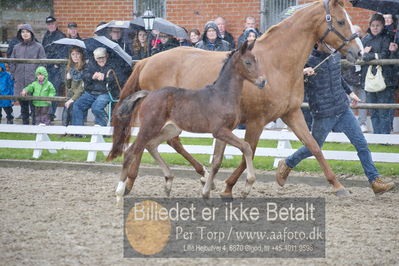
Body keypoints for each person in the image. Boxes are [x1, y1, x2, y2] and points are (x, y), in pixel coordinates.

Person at [276, 41, 395, 195]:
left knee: (361, 144)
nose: (332, 44)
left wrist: (350, 93)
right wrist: (303, 73)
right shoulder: (308, 60)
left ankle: (374, 181)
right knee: (313, 148)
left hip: (343, 108)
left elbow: (337, 77)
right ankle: (288, 162)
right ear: (318, 43)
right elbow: (289, 79)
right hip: (323, 113)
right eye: (328, 42)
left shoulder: (334, 56)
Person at [361, 13, 396, 134]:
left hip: (385, 78)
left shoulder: (387, 38)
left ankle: (384, 137)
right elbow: (360, 56)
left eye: (378, 25)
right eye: (373, 25)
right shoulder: (365, 39)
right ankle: (377, 136)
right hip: (368, 79)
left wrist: (368, 55)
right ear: (369, 26)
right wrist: (365, 55)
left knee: (384, 110)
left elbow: (385, 55)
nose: (375, 28)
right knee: (373, 111)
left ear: (382, 26)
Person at [10, 24, 46, 125]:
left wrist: (39, 77)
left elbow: (43, 63)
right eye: (22, 32)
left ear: (31, 33)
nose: (25, 34)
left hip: (34, 82)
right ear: (20, 34)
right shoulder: (16, 47)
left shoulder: (38, 47)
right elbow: (12, 62)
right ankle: (25, 126)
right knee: (23, 107)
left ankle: (34, 127)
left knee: (34, 107)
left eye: (27, 32)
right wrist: (14, 74)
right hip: (20, 81)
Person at [72, 47, 116, 127]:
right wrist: (92, 76)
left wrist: (106, 78)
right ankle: (78, 131)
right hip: (91, 92)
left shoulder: (113, 64)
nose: (101, 60)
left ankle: (104, 127)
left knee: (96, 107)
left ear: (106, 56)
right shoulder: (91, 64)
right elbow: (84, 76)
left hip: (106, 92)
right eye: (98, 58)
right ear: (95, 58)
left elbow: (118, 79)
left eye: (102, 57)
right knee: (77, 105)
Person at [342, 25, 368, 132]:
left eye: (358, 33)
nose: (356, 35)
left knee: (363, 102)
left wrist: (365, 53)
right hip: (349, 77)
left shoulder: (364, 43)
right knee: (349, 101)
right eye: (354, 32)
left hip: (362, 78)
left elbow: (366, 57)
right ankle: (350, 124)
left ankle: (362, 123)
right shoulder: (348, 44)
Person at [41, 16, 66, 122]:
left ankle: (51, 114)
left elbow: (64, 50)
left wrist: (57, 63)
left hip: (56, 68)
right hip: (46, 67)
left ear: (56, 24)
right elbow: (43, 49)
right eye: (49, 24)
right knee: (45, 90)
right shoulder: (46, 36)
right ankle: (45, 113)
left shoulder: (61, 36)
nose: (50, 26)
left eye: (52, 24)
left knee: (54, 90)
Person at [62, 47, 86, 127]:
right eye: (73, 54)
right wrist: (68, 79)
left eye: (77, 54)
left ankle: (72, 129)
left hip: (82, 94)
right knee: (66, 107)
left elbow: (81, 89)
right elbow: (68, 87)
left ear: (81, 55)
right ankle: (64, 129)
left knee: (73, 105)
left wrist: (72, 99)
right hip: (72, 94)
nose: (75, 56)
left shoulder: (85, 68)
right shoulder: (71, 68)